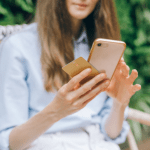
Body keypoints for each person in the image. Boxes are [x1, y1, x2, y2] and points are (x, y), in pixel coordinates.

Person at [0, 0, 141, 150]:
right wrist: (55, 111)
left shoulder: (104, 46)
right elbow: (11, 143)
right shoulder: (18, 47)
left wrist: (119, 103)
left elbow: (111, 134)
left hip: (98, 143)